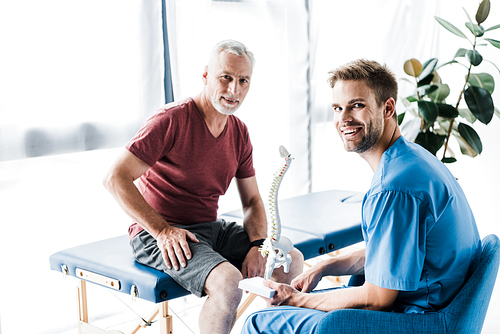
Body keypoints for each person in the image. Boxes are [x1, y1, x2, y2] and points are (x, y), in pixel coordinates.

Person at [242, 59, 481, 333]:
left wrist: (297, 299)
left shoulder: (395, 189)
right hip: (436, 309)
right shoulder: (414, 160)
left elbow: (377, 300)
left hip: (418, 320)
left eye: (357, 105)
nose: (343, 119)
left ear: (387, 108)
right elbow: (391, 253)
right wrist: (325, 266)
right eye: (337, 108)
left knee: (259, 321)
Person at [103, 39, 303, 334]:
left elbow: (251, 201)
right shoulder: (172, 119)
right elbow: (114, 178)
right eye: (226, 78)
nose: (234, 90)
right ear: (206, 75)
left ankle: (272, 328)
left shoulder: (239, 132)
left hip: (208, 228)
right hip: (156, 233)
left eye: (243, 81)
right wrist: (163, 231)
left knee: (291, 261)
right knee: (229, 283)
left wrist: (258, 245)